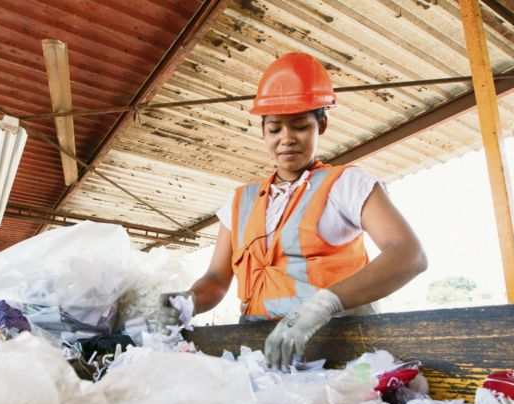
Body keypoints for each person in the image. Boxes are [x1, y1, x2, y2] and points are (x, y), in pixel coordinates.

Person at [158, 52, 427, 369]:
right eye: (274, 129)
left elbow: (409, 255)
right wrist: (188, 301)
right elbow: (216, 279)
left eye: (299, 126)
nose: (286, 140)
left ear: (321, 125)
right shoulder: (238, 202)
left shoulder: (345, 185)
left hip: (340, 350)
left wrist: (323, 305)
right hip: (263, 351)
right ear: (263, 131)